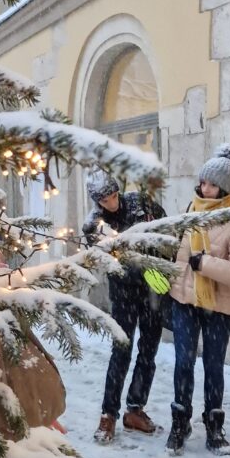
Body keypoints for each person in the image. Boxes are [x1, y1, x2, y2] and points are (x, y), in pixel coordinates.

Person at [166, 144, 230, 456]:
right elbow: (179, 254)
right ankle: (180, 421)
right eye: (203, 182)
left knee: (213, 366)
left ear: (224, 188)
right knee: (183, 363)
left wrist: (204, 264)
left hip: (218, 306)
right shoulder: (191, 209)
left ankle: (214, 427)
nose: (205, 188)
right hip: (184, 302)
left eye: (212, 184)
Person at [83, 170, 166, 443]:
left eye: (114, 195)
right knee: (121, 352)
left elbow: (166, 232)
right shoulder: (94, 224)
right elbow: (108, 260)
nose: (113, 202)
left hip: (153, 290)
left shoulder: (142, 203)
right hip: (124, 295)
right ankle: (108, 415)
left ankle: (135, 410)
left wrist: (163, 265)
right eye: (105, 200)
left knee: (148, 352)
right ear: (97, 201)